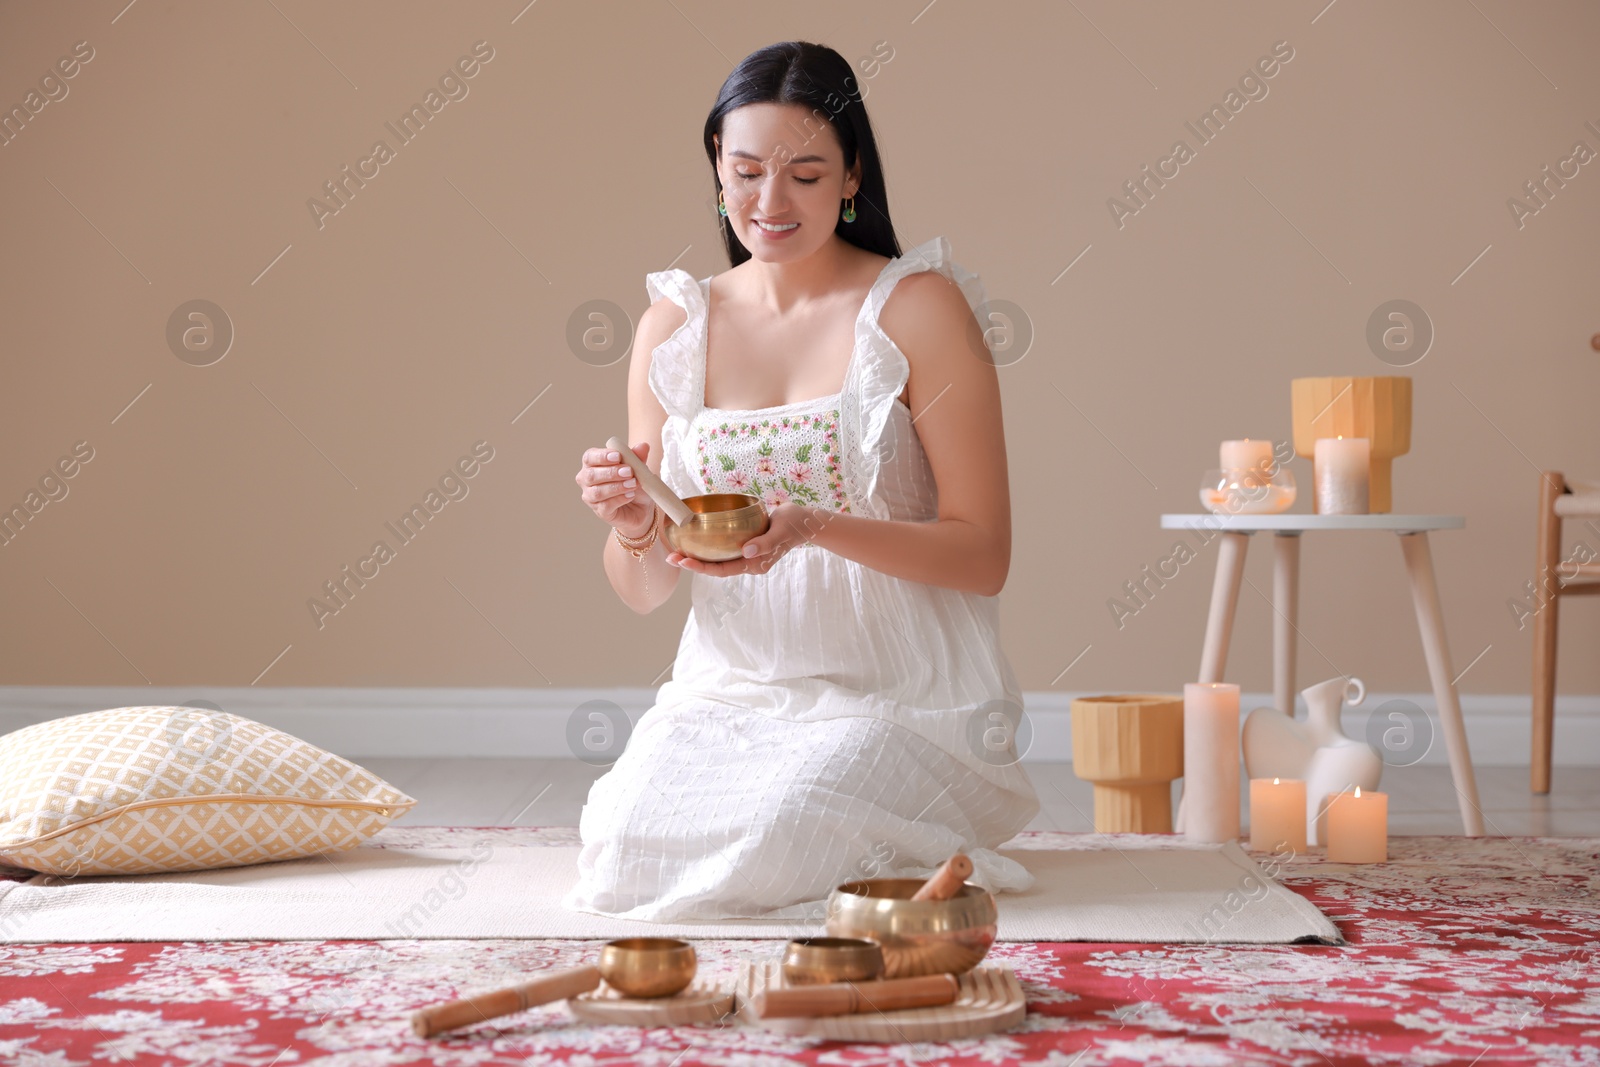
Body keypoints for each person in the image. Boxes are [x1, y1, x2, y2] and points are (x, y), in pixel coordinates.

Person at [565, 40, 1039, 921]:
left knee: (784, 830)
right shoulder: (673, 325)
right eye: (745, 172)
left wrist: (817, 525)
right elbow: (643, 588)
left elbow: (986, 554)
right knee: (624, 852)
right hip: (732, 691)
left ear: (852, 175)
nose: (770, 203)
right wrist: (635, 522)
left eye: (806, 175)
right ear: (716, 166)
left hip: (896, 696)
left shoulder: (918, 308)